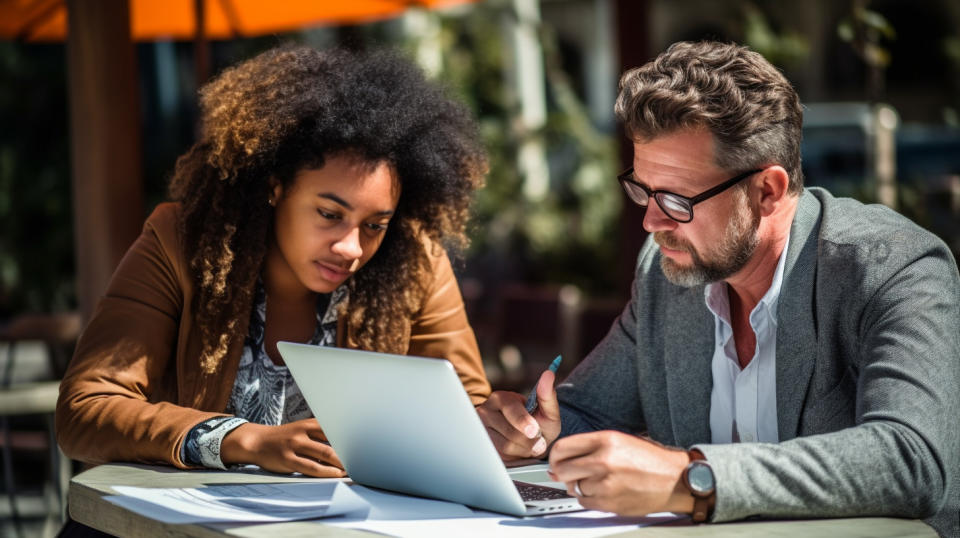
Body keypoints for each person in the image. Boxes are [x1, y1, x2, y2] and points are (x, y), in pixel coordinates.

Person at [478, 40, 959, 536]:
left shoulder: (895, 267)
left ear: (767, 191)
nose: (651, 222)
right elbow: (587, 410)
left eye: (676, 200)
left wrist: (692, 479)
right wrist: (536, 434)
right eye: (643, 189)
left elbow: (912, 459)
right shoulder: (666, 273)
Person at [57, 45, 491, 478]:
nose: (352, 248)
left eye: (375, 224)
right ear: (275, 187)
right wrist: (237, 439)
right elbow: (85, 410)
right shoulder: (180, 244)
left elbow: (469, 409)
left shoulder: (415, 262)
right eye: (329, 215)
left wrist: (503, 427)